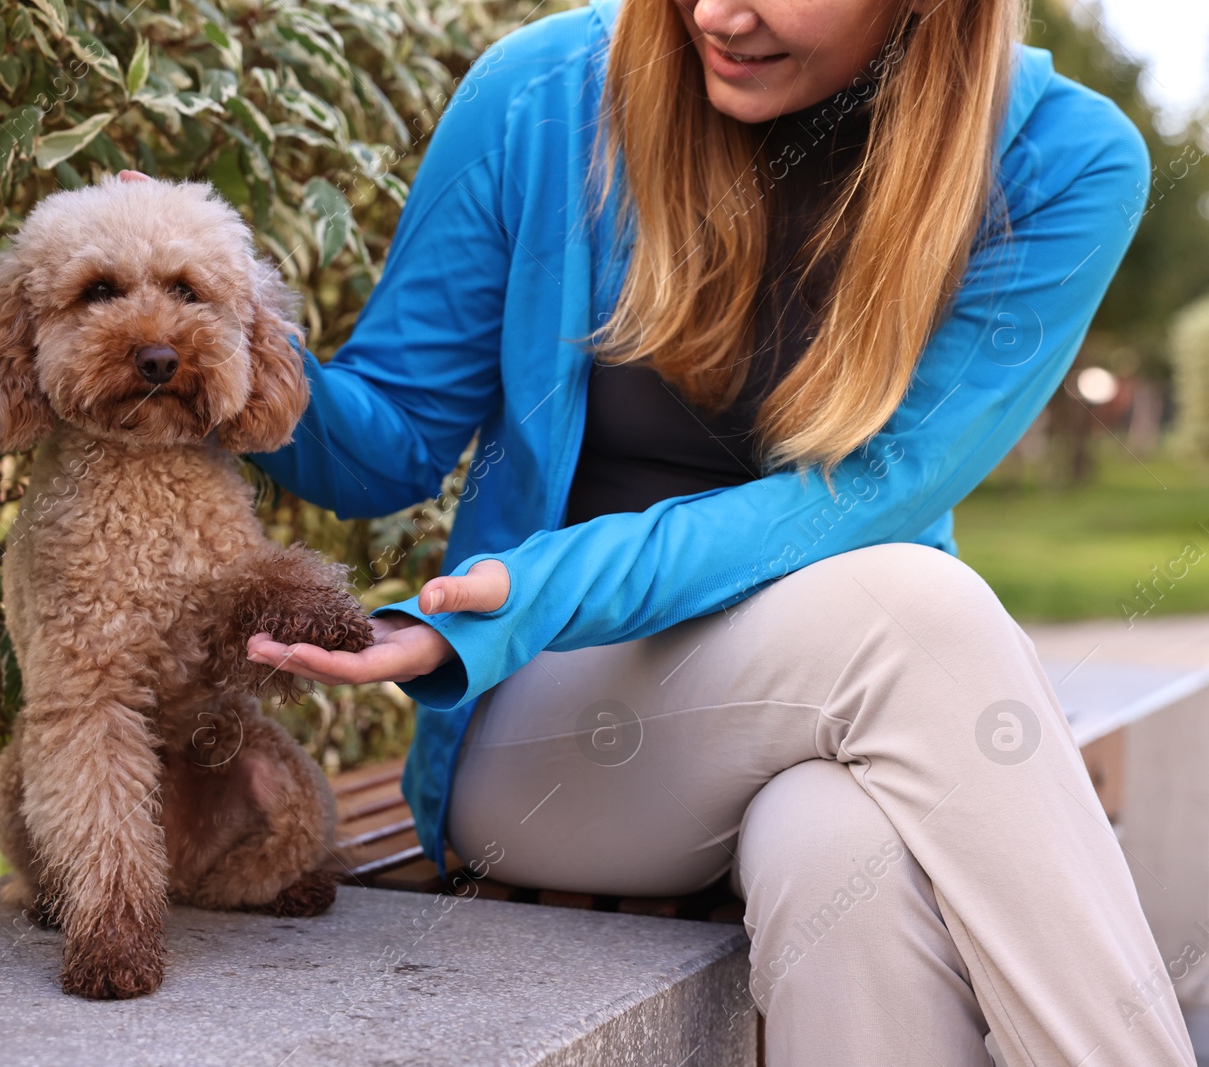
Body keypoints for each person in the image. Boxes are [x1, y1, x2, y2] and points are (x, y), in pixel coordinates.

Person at [130, 0, 1197, 1061]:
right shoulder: (545, 94)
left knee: (837, 843)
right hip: (557, 719)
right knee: (920, 609)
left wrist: (541, 577)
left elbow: (870, 494)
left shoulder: (1061, 160)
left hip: (838, 701)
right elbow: (390, 442)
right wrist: (223, 344)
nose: (715, 13)